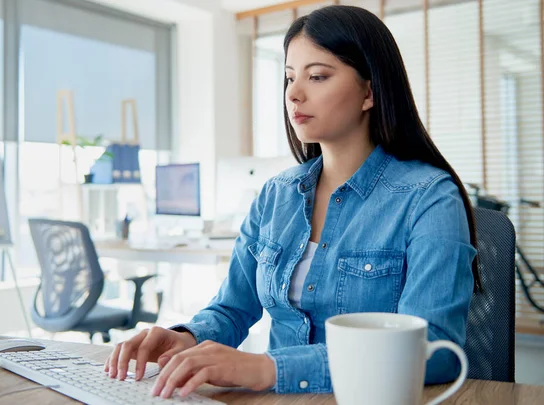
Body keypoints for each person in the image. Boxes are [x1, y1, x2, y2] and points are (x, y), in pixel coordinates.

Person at [105, 5, 479, 398]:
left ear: (369, 92)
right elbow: (232, 309)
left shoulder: (429, 198)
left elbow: (436, 350)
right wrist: (186, 337)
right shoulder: (275, 195)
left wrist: (269, 368)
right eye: (288, 78)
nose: (294, 94)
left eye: (317, 76)